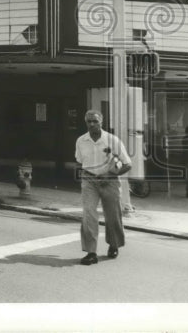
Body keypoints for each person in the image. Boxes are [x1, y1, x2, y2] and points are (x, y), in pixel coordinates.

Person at [75, 109, 131, 265]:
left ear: (101, 122)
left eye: (95, 121)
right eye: (88, 121)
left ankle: (114, 245)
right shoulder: (81, 141)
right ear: (85, 122)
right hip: (89, 180)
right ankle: (91, 252)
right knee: (89, 214)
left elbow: (128, 164)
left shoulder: (112, 140)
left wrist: (112, 174)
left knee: (112, 215)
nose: (91, 124)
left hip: (110, 181)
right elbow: (79, 161)